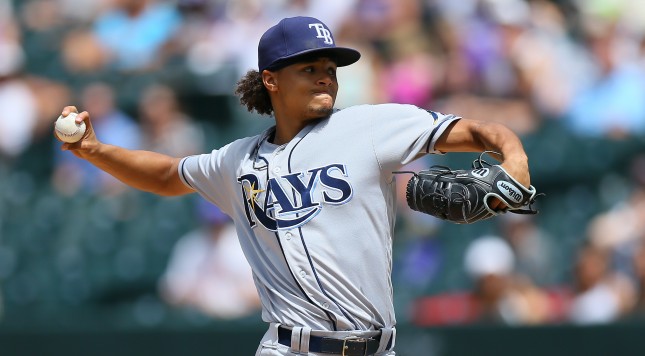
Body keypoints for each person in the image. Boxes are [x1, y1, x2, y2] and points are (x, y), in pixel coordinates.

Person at [56, 16, 532, 356]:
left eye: (330, 67)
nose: (326, 75)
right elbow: (166, 174)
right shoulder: (236, 161)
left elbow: (475, 131)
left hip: (379, 347)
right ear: (271, 79)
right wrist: (94, 150)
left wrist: (515, 156)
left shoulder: (369, 126)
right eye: (309, 68)